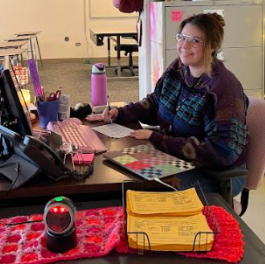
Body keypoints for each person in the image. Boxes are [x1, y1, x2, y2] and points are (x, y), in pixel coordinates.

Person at [88, 13, 249, 196]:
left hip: (214, 174)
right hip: (176, 160)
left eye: (195, 41)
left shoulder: (223, 88)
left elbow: (223, 151)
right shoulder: (178, 68)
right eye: (182, 37)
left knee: (143, 192)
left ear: (212, 46)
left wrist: (158, 139)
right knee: (118, 170)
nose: (184, 46)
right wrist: (121, 112)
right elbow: (156, 102)